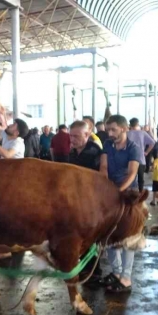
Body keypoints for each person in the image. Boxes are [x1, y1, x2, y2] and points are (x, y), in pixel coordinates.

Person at [100, 115, 141, 293]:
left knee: (128, 238)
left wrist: (118, 192)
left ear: (124, 129)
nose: (109, 133)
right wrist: (107, 190)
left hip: (129, 196)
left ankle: (126, 277)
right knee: (110, 236)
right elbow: (103, 168)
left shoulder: (134, 148)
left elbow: (132, 174)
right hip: (110, 194)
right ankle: (116, 272)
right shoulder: (108, 145)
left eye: (113, 130)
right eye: (108, 129)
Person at [67, 120, 107, 283]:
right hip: (76, 200)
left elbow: (100, 177)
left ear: (87, 134)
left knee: (91, 237)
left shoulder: (95, 151)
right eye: (71, 136)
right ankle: (84, 267)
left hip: (91, 201)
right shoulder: (72, 152)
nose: (72, 139)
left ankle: (94, 271)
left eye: (76, 136)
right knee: (79, 236)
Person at [127, 118, 156, 192]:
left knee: (129, 178)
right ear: (137, 124)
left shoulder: (127, 133)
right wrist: (146, 152)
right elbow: (152, 143)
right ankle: (140, 194)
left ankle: (130, 193)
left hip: (129, 159)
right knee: (141, 179)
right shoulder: (142, 133)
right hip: (141, 158)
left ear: (130, 124)